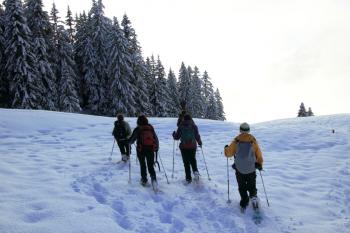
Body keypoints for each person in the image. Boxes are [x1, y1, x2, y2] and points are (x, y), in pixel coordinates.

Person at [224, 122, 263, 210]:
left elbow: (228, 154)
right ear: (248, 130)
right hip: (251, 168)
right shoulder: (253, 141)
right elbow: (258, 153)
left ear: (240, 130)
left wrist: (226, 149)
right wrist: (260, 163)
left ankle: (244, 201)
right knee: (252, 184)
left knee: (241, 186)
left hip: (239, 168)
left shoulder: (236, 141)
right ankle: (253, 197)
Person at [128, 115, 159, 187]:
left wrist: (128, 141)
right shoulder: (150, 128)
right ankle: (154, 180)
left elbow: (131, 140)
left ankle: (144, 180)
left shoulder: (138, 129)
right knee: (150, 165)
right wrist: (156, 147)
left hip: (141, 149)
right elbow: (155, 138)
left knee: (143, 165)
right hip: (150, 149)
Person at [173, 114, 202, 183]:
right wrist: (200, 142)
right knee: (193, 159)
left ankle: (188, 178)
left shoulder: (181, 126)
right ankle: (195, 172)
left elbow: (177, 137)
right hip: (193, 146)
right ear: (191, 119)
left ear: (184, 119)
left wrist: (174, 135)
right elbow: (197, 136)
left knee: (186, 162)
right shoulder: (194, 126)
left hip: (184, 147)